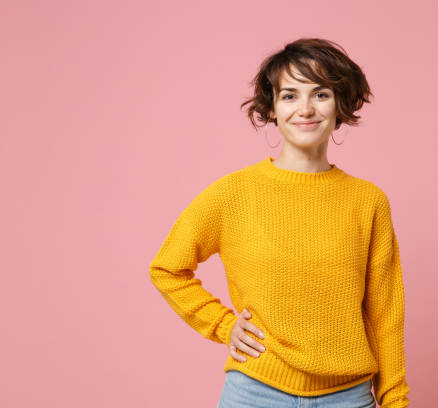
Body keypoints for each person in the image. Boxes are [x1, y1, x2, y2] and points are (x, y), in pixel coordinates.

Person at [149, 37, 410, 407]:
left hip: (347, 397)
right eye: (289, 96)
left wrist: (396, 400)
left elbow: (385, 313)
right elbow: (167, 268)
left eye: (320, 94)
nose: (305, 108)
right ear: (271, 108)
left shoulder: (367, 201)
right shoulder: (233, 193)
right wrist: (223, 326)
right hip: (255, 392)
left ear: (340, 104)